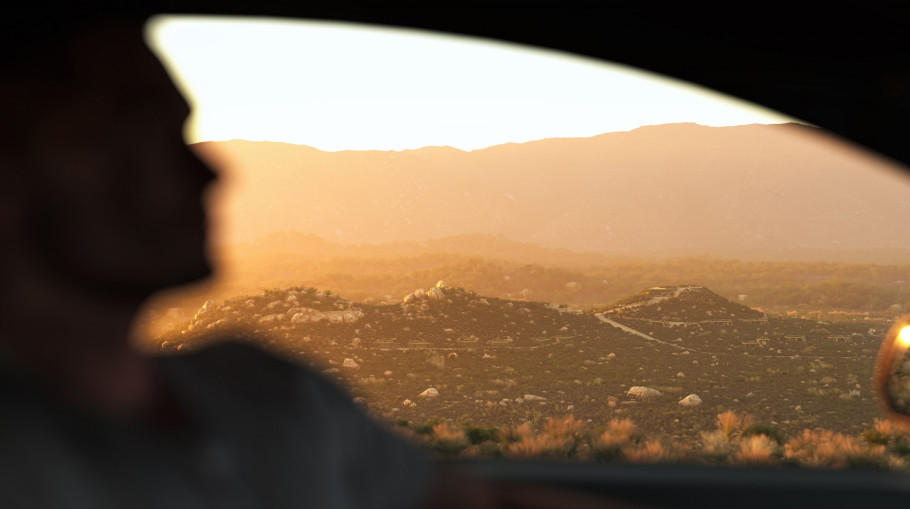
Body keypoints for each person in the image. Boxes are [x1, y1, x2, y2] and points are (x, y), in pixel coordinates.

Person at [0, 8, 636, 509]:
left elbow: (489, 504)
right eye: (133, 135)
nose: (207, 172)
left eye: (181, 132)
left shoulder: (266, 392)